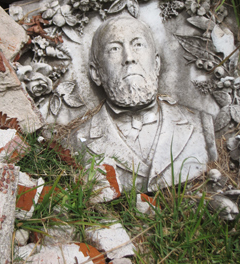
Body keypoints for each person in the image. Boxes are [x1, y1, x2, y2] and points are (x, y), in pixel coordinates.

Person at [75, 16, 217, 191]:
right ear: (96, 73)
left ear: (157, 64)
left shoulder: (201, 125)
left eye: (138, 45)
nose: (129, 58)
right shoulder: (77, 141)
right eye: (114, 49)